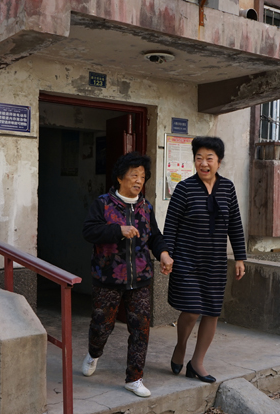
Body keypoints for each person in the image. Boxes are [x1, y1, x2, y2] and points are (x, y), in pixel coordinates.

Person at [81, 151, 174, 398]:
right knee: (101, 326)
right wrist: (118, 230)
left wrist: (164, 254)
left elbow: (155, 236)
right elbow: (89, 231)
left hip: (141, 278)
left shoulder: (146, 207)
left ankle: (134, 378)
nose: (139, 181)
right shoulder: (103, 203)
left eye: (142, 177)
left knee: (141, 329)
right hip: (108, 278)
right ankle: (93, 353)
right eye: (134, 175)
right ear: (120, 178)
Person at [164, 136, 246, 383]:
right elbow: (171, 226)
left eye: (209, 158)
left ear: (218, 161)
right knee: (191, 309)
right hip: (187, 259)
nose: (203, 163)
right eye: (198, 158)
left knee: (211, 312)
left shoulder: (227, 188)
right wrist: (166, 254)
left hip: (215, 262)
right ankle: (180, 346)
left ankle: (197, 363)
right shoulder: (184, 188)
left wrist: (240, 257)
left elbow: (235, 224)